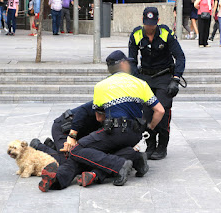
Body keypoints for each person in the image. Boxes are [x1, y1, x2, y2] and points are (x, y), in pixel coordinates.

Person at [37, 51, 165, 192]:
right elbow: (160, 111)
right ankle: (59, 179)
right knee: (111, 153)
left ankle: (118, 165)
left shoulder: (102, 86)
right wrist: (150, 127)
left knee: (77, 151)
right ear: (123, 64)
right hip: (135, 135)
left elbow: (99, 118)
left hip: (114, 131)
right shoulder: (141, 83)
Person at [128, 7, 186, 160]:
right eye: (147, 24)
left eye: (153, 24)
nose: (150, 27)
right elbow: (132, 60)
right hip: (145, 77)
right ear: (143, 21)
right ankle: (150, 144)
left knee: (163, 111)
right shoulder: (136, 34)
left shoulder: (166, 33)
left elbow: (180, 57)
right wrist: (135, 78)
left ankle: (162, 146)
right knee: (146, 113)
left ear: (158, 21)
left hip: (164, 76)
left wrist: (176, 78)